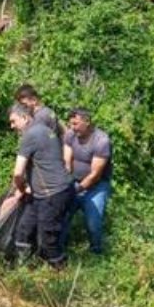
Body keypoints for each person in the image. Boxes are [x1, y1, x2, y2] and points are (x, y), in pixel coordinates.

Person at [9, 103, 74, 269]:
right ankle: (24, 268)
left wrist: (21, 189)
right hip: (47, 192)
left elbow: (18, 173)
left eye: (14, 121)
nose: (12, 126)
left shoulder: (29, 135)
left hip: (52, 193)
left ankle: (61, 272)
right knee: (24, 228)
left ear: (25, 118)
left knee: (47, 238)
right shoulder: (46, 129)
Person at [59, 108, 113, 256]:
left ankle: (96, 253)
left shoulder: (101, 141)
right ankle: (59, 250)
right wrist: (66, 185)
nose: (72, 127)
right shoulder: (70, 135)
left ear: (87, 122)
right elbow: (66, 161)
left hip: (97, 186)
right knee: (62, 216)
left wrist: (76, 190)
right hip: (74, 181)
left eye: (75, 124)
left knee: (93, 223)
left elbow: (95, 175)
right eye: (70, 124)